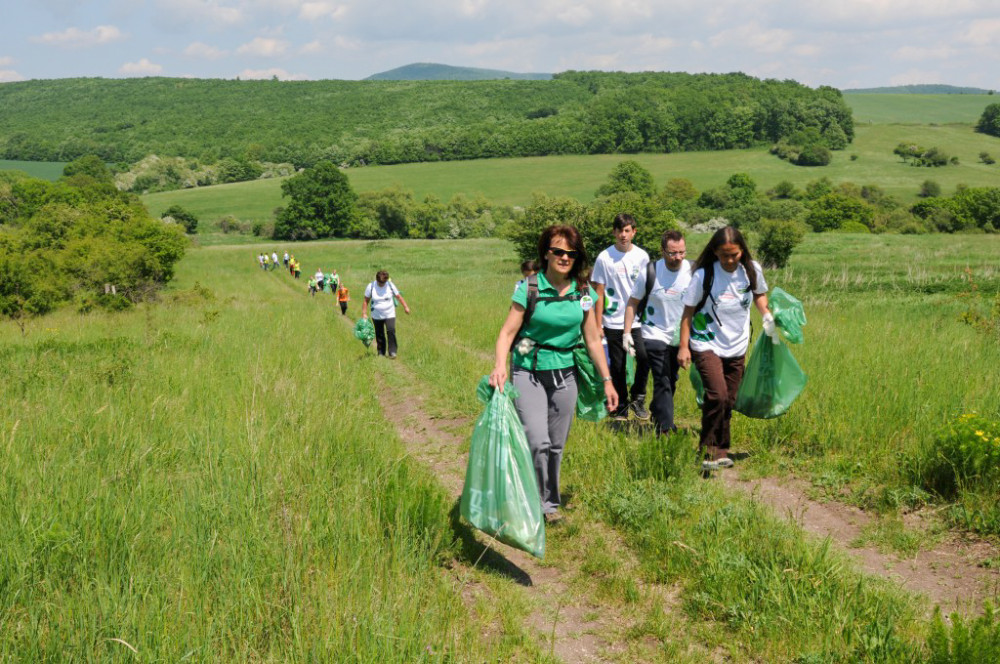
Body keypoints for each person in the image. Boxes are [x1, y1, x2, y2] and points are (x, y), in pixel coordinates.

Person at [490, 225, 618, 523]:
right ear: (546, 253)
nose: (564, 257)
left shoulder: (583, 291)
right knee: (537, 440)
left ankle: (549, 503)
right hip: (529, 369)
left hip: (566, 372)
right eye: (558, 251)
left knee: (557, 444)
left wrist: (607, 380)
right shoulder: (530, 288)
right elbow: (507, 334)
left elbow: (591, 339)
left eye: (571, 253)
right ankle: (535, 501)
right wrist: (500, 365)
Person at [677, 226, 777, 471]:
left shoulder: (751, 270)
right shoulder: (704, 275)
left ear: (742, 250)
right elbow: (688, 312)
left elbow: (759, 295)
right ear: (715, 252)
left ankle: (720, 450)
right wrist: (683, 346)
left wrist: (766, 314)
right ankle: (709, 451)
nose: (730, 260)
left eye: (734, 254)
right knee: (718, 395)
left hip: (737, 344)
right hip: (706, 342)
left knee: (728, 400)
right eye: (724, 255)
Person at [623, 230, 692, 437]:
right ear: (663, 251)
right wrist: (627, 332)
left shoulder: (693, 270)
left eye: (681, 252)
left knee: (670, 379)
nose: (677, 257)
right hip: (654, 332)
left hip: (679, 334)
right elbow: (633, 302)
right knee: (662, 378)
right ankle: (665, 428)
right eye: (672, 253)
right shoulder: (650, 271)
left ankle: (657, 411)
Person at [590, 213, 651, 421]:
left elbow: (647, 288)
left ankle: (638, 397)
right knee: (617, 365)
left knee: (645, 357)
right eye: (620, 231)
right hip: (612, 320)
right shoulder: (604, 258)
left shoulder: (642, 257)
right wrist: (598, 324)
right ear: (614, 232)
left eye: (627, 231)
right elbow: (598, 291)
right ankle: (621, 405)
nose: (623, 235)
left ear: (634, 232)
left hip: (637, 320)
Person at [362, 270, 410, 358]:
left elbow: (398, 296)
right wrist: (364, 313)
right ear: (377, 280)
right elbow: (366, 300)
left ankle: (392, 352)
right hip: (376, 315)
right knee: (379, 333)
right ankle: (381, 352)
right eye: (380, 283)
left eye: (383, 283)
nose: (382, 284)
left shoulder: (390, 285)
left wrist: (405, 307)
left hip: (389, 313)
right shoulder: (371, 286)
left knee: (391, 330)